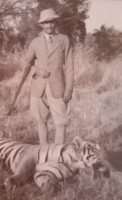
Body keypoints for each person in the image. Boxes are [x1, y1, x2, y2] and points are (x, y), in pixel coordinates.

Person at [22, 8, 74, 144]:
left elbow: (69, 66)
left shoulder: (64, 40)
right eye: (46, 23)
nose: (49, 25)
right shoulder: (35, 42)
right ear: (41, 25)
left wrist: (69, 89)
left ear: (55, 23)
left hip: (57, 87)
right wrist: (38, 72)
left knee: (61, 122)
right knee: (41, 120)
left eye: (51, 22)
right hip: (38, 88)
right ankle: (44, 151)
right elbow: (27, 64)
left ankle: (57, 155)